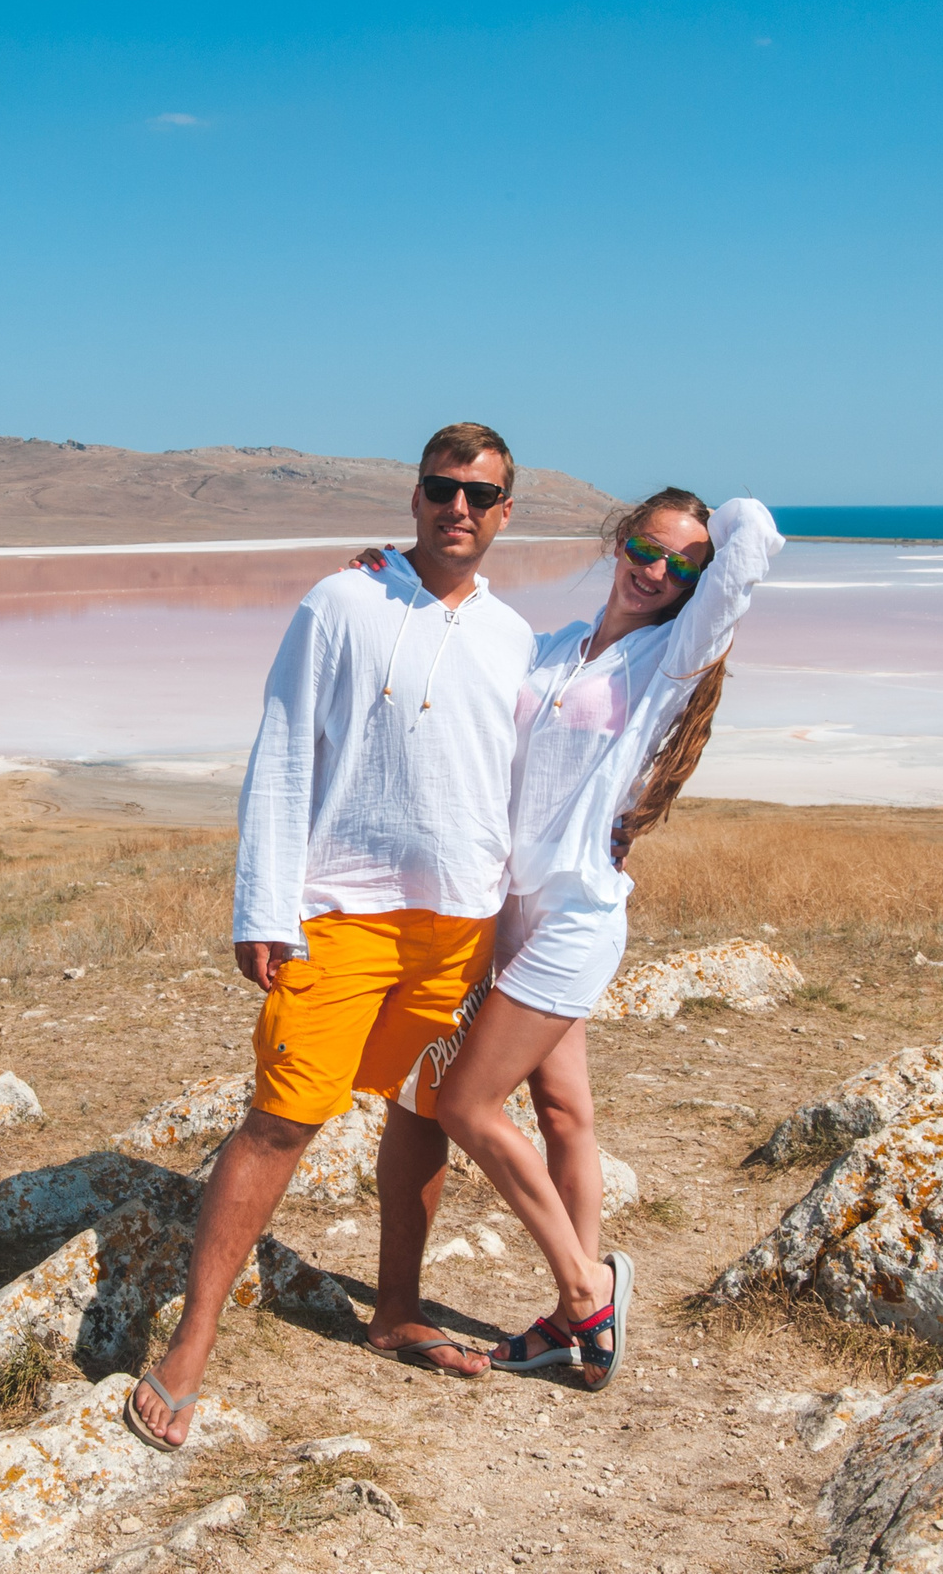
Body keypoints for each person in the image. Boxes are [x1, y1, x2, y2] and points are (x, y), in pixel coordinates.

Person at [124, 423, 539, 1450]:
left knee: (425, 1109)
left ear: (505, 513)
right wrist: (261, 903)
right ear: (413, 498)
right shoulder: (343, 600)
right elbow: (281, 745)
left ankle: (395, 1312)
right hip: (341, 909)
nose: (459, 510)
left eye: (480, 496)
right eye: (442, 489)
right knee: (282, 1118)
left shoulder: (515, 637)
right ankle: (191, 1343)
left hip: (460, 923)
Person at [387, 487, 781, 1390]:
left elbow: (755, 534)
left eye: (686, 564)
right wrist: (391, 580)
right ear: (619, 541)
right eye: (648, 548)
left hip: (574, 919)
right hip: (507, 912)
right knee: (565, 1114)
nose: (659, 571)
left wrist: (717, 536)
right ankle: (578, 1333)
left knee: (467, 1109)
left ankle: (584, 1291)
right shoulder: (555, 647)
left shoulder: (670, 657)